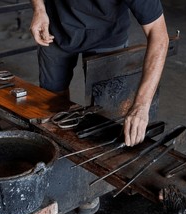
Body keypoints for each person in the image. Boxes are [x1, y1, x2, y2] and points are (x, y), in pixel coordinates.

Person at [30, 0, 169, 147]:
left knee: (107, 116)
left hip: (108, 38)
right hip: (55, 30)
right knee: (52, 106)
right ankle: (58, 149)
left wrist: (141, 105)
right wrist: (39, 9)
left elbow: (158, 35)